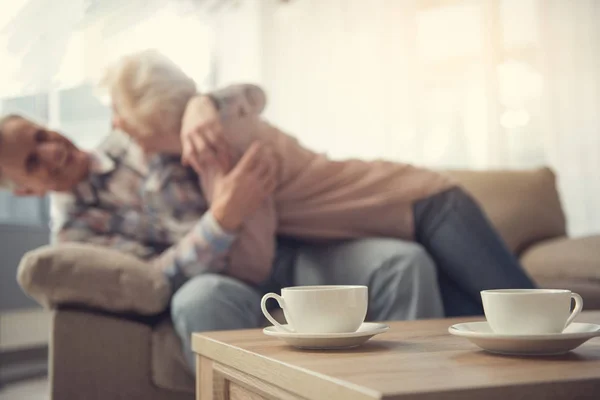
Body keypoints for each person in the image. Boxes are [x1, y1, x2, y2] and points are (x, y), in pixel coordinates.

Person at [104, 50, 536, 318]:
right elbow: (254, 94)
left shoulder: (217, 151)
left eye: (122, 117)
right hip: (415, 213)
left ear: (152, 117)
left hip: (429, 207)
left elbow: (253, 264)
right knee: (485, 327)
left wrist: (219, 224)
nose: (120, 128)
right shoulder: (221, 121)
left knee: (535, 321)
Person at [0, 113, 443, 370]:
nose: (52, 151)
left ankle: (410, 392)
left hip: (283, 252)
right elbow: (152, 280)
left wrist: (198, 107)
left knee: (402, 262)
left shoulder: (134, 133)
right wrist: (221, 219)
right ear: (24, 191)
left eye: (41, 135)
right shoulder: (74, 236)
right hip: (213, 282)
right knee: (198, 301)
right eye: (33, 161)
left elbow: (224, 112)